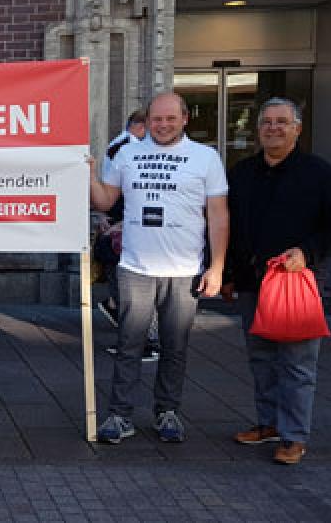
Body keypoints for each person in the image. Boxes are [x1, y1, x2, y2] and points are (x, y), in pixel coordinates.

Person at [223, 97, 331, 465]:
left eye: (282, 122)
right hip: (253, 282)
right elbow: (232, 228)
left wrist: (308, 252)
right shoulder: (242, 172)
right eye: (266, 121)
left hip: (297, 285)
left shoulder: (319, 174)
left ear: (298, 129)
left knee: (297, 364)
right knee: (261, 358)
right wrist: (230, 275)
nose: (273, 128)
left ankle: (294, 436)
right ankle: (268, 424)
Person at [90, 92, 230, 444]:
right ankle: (120, 415)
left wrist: (217, 266)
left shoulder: (206, 158)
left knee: (175, 346)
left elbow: (218, 214)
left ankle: (167, 411)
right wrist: (88, 174)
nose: (163, 125)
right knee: (128, 344)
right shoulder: (126, 153)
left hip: (184, 269)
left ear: (185, 119)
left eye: (170, 119)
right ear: (147, 119)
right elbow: (106, 200)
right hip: (136, 267)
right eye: (156, 119)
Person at [95, 111, 161, 362]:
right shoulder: (127, 150)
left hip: (121, 224)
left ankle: (142, 341)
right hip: (123, 226)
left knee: (133, 288)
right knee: (132, 287)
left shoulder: (119, 146)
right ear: (140, 126)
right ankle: (143, 341)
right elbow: (123, 191)